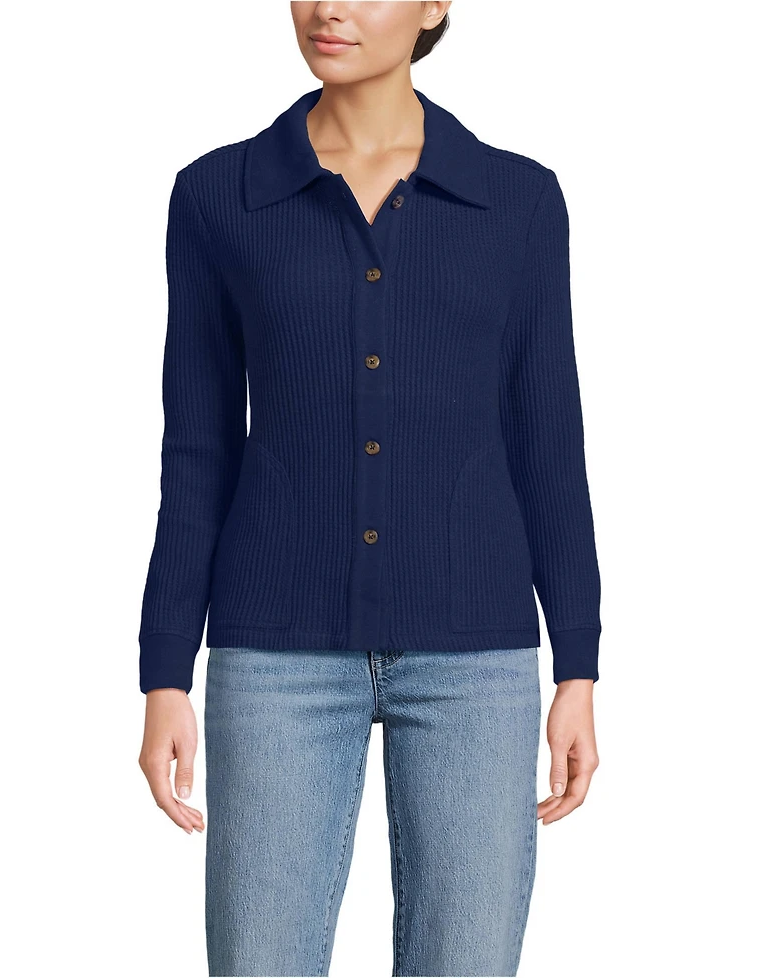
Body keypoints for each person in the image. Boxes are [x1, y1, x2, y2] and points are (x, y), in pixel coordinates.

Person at [137, 3, 602, 975]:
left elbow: (547, 440)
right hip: (274, 652)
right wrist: (165, 671)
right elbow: (198, 447)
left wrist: (578, 666)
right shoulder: (218, 197)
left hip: (475, 657)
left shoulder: (517, 202)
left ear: (435, 4)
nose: (327, 7)